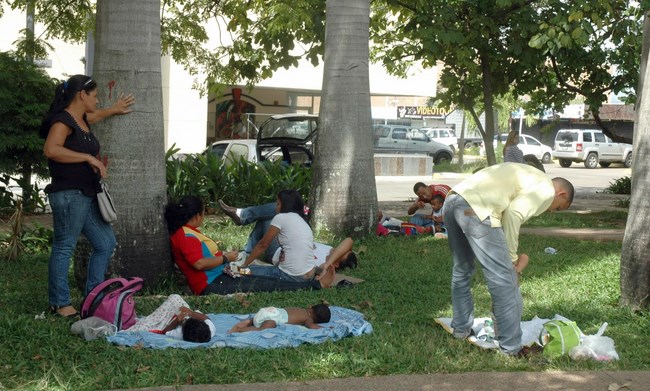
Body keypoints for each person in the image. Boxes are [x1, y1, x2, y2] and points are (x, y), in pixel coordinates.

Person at [442, 163, 574, 357]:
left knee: (462, 269)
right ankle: (511, 348)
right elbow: (514, 214)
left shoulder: (531, 177)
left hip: (453, 200)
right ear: (561, 194)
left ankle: (461, 330)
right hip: (476, 208)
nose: (552, 211)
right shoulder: (546, 188)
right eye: (559, 208)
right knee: (504, 280)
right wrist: (511, 258)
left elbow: (506, 214)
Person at [40, 74, 135, 318]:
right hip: (69, 194)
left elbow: (95, 116)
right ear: (82, 95)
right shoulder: (62, 121)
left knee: (105, 243)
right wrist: (87, 157)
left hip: (87, 194)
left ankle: (93, 296)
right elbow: (51, 149)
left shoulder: (80, 119)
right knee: (64, 246)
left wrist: (113, 110)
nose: (97, 99)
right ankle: (60, 304)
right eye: (94, 95)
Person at [164, 196, 334, 296]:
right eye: (203, 213)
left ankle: (244, 267)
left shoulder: (188, 231)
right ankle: (316, 286)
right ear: (196, 215)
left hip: (224, 272)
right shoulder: (185, 235)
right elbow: (199, 264)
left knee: (252, 273)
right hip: (213, 283)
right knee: (266, 284)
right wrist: (224, 257)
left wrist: (227, 258)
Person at [218, 198, 358, 270]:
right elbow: (349, 241)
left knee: (280, 209)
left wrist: (329, 263)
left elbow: (320, 269)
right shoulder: (330, 251)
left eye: (340, 254)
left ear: (337, 264)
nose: (337, 250)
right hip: (290, 237)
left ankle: (242, 215)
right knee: (276, 211)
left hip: (277, 249)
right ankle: (247, 247)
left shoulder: (323, 265)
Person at [234, 190, 339, 285]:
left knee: (242, 270)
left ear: (285, 205)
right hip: (310, 274)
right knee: (264, 269)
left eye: (278, 204)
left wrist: (245, 264)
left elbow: (263, 245)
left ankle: (242, 262)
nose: (276, 208)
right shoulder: (302, 220)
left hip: (292, 276)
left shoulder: (280, 218)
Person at [229, 303, 331, 333]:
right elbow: (311, 326)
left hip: (269, 310)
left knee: (256, 320)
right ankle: (240, 329)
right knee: (262, 329)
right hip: (273, 318)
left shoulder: (299, 309)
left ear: (310, 307)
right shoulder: (308, 318)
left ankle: (249, 321)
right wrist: (325, 328)